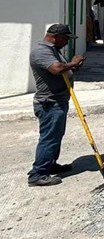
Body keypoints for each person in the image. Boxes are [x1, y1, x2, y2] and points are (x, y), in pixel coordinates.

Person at [27, 24, 85, 186]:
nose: (67, 42)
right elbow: (56, 68)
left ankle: (50, 164)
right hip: (49, 103)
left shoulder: (53, 50)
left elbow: (62, 69)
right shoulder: (41, 51)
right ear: (54, 36)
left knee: (56, 136)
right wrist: (73, 63)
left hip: (58, 101)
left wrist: (73, 68)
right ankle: (37, 174)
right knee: (49, 138)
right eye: (65, 38)